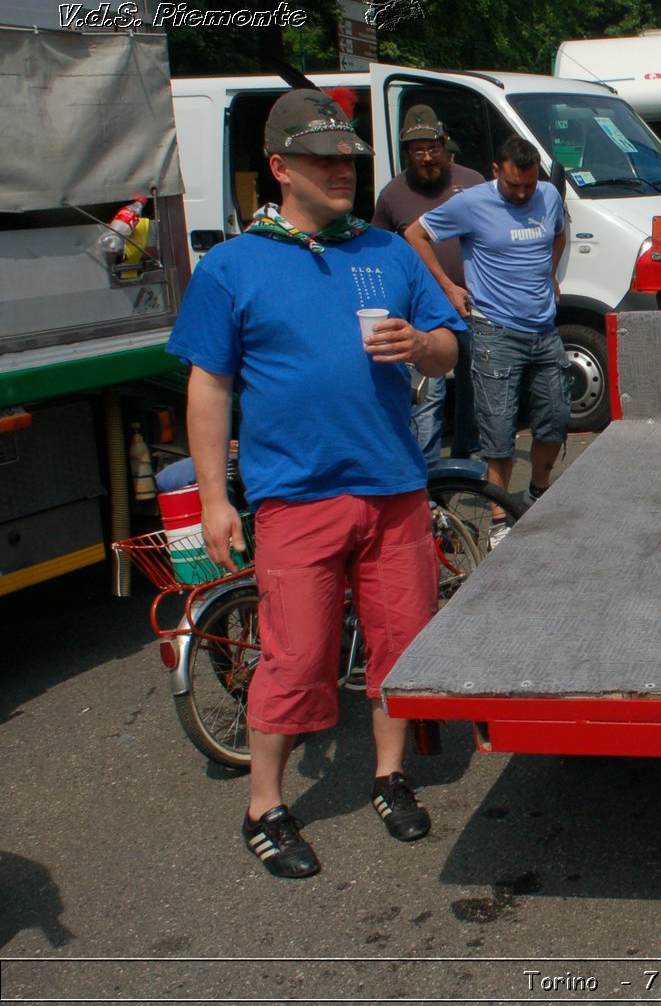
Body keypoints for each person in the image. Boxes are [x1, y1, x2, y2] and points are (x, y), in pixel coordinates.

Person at [168, 88, 464, 879]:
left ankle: (389, 774)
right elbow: (209, 387)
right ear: (279, 167)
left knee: (400, 644)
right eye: (325, 159)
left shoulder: (388, 251)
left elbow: (448, 349)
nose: (344, 171)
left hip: (394, 487)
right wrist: (213, 498)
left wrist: (423, 345)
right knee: (296, 658)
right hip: (295, 496)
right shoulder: (233, 265)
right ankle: (264, 803)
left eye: (351, 159)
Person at [406, 137, 568, 516]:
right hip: (495, 330)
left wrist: (550, 274)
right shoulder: (471, 202)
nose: (524, 193)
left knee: (555, 419)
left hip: (544, 329)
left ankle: (537, 495)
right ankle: (499, 518)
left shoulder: (548, 196)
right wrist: (447, 287)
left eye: (529, 184)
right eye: (514, 185)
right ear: (497, 172)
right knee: (498, 432)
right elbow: (415, 234)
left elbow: (559, 232)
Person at [371, 104, 484, 459]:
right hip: (422, 311)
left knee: (474, 388)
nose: (426, 157)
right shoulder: (391, 195)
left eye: (432, 148)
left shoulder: (473, 183)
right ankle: (426, 475)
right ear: (406, 153)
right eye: (417, 151)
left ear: (445, 144)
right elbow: (379, 252)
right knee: (428, 396)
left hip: (472, 306)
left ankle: (467, 464)